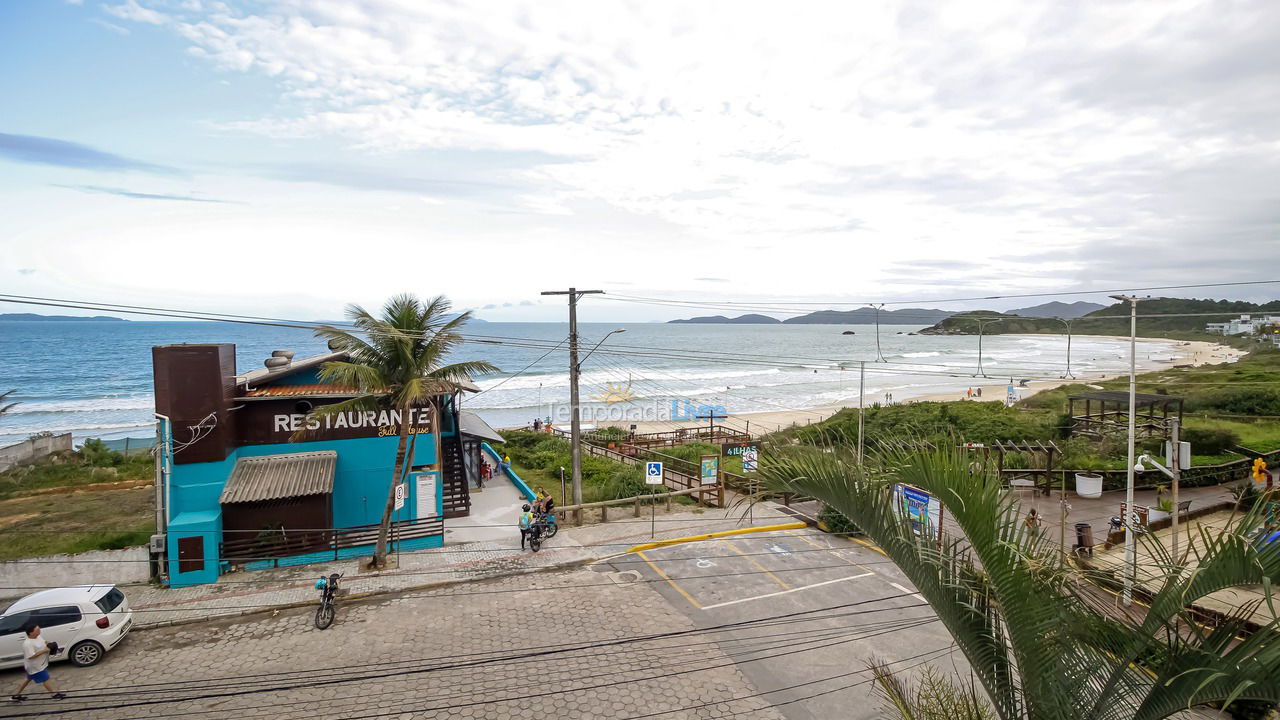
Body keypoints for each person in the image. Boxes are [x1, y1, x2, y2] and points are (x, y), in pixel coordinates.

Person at [12, 624, 66, 702]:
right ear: (30, 633)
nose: (39, 632)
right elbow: (31, 656)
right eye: (37, 631)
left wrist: (49, 644)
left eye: (39, 630)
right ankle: (54, 695)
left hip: (39, 664)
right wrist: (45, 650)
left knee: (28, 679)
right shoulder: (27, 644)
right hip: (35, 667)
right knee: (45, 679)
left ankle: (16, 695)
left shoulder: (38, 637)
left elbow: (43, 642)